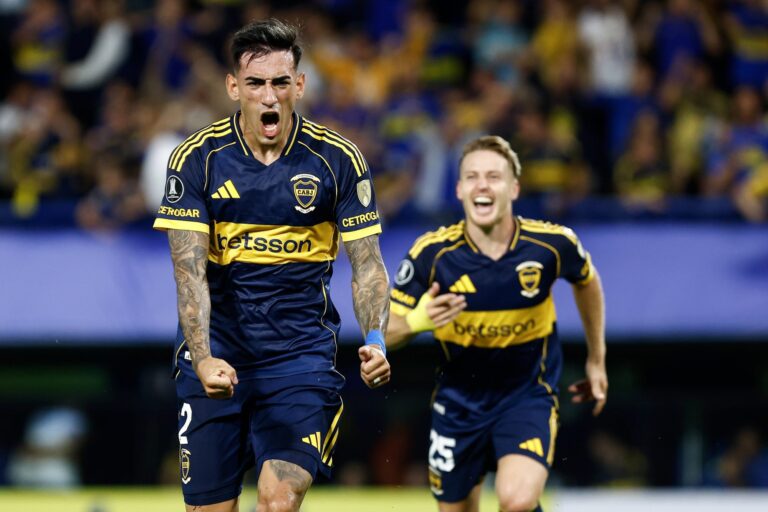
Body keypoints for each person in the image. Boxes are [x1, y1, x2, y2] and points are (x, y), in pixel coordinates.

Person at [153, 19, 391, 512]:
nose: (269, 96)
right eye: (256, 83)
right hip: (217, 353)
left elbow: (367, 263)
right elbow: (188, 272)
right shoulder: (197, 159)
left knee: (278, 499)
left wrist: (375, 339)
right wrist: (202, 357)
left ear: (299, 86)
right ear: (233, 87)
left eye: (281, 83)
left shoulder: (337, 160)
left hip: (299, 360)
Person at [387, 135, 607, 512]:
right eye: (472, 177)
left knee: (517, 501)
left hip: (526, 396)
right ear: (458, 189)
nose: (482, 185)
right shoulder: (431, 254)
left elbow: (588, 281)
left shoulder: (552, 245)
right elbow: (383, 334)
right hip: (457, 405)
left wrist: (596, 358)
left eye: (494, 176)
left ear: (515, 188)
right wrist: (417, 321)